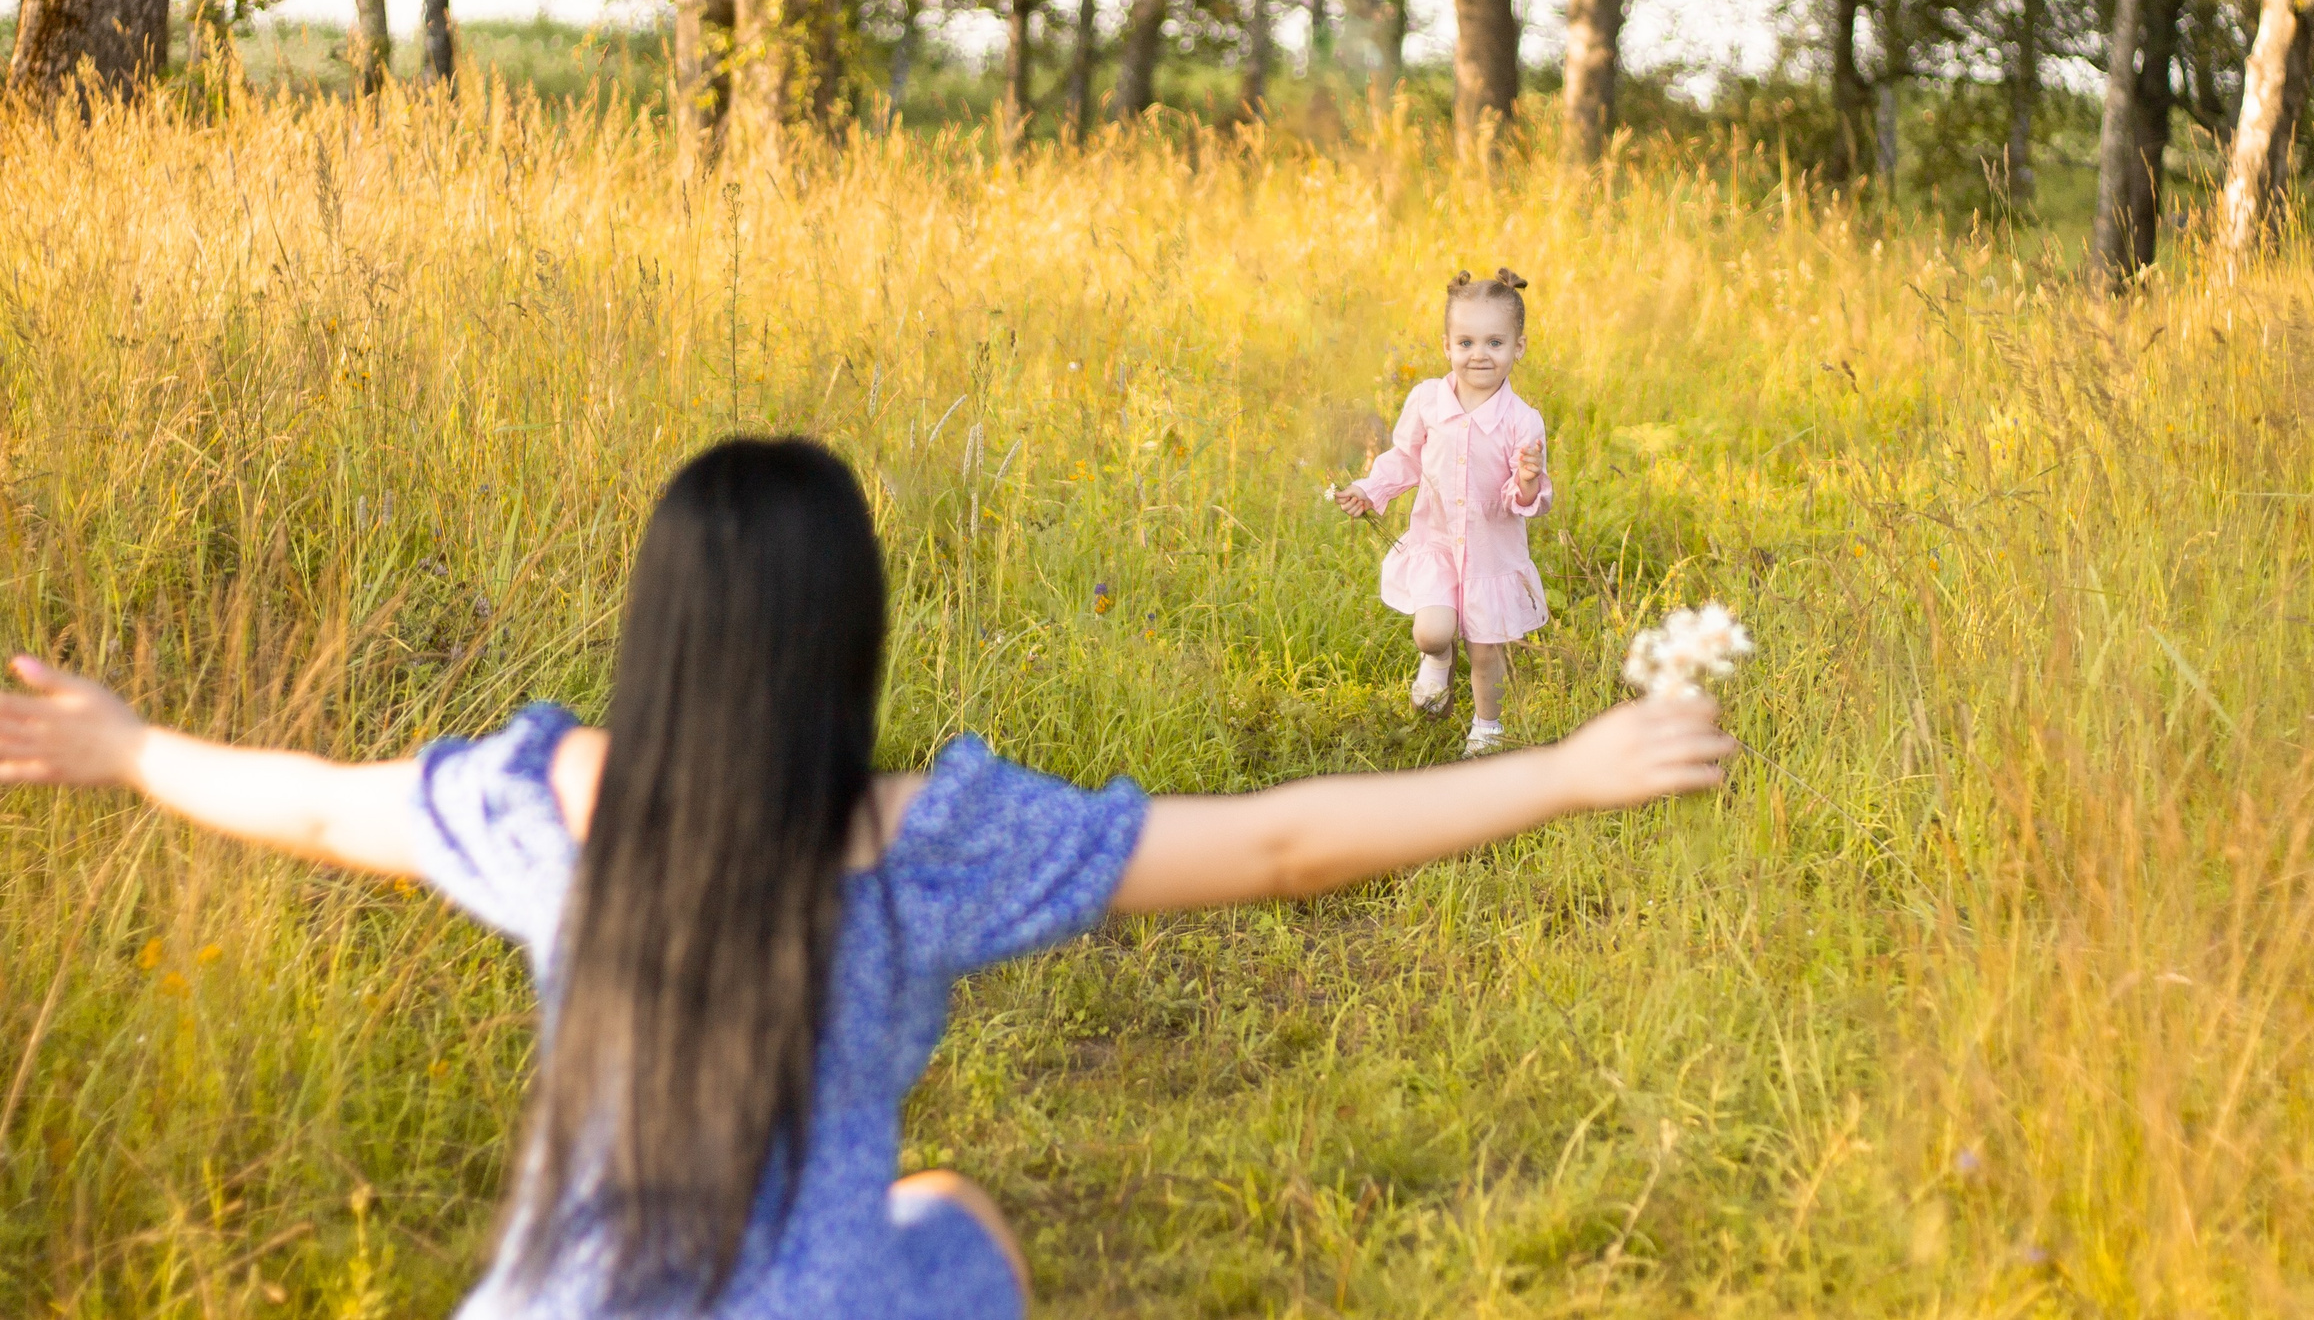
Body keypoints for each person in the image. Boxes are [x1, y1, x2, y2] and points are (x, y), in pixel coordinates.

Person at [0, 437, 1735, 1320]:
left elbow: (314, 808)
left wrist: (134, 746)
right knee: (958, 1211)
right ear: (854, 637)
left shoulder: (551, 811)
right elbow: (1277, 845)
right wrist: (1562, 771)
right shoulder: (924, 849)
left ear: (656, 633)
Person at [1332, 269, 1552, 757]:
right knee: (1431, 631)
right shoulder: (1428, 400)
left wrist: (1529, 481)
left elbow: (1522, 501)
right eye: (1467, 341)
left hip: (1489, 558)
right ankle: (1436, 660)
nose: (1480, 354)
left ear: (1518, 347)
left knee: (1486, 650)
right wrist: (1369, 490)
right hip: (1435, 544)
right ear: (1447, 345)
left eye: (1495, 342)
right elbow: (1405, 458)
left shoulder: (1522, 420)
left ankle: (1487, 726)